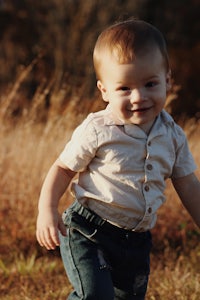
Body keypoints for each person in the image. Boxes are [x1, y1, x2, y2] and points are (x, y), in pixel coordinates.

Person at [36, 19, 200, 300]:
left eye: (150, 84)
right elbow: (63, 168)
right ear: (104, 91)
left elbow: (188, 185)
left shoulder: (173, 136)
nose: (139, 97)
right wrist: (46, 209)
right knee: (96, 296)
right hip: (88, 232)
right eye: (124, 88)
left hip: (136, 242)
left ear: (168, 80)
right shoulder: (99, 129)